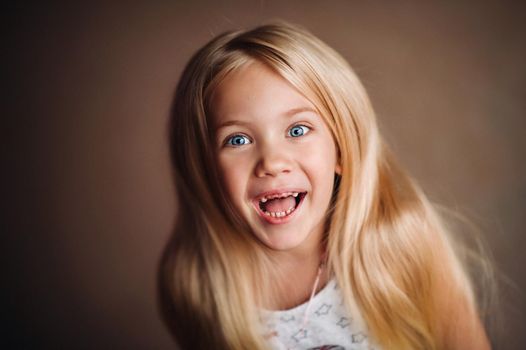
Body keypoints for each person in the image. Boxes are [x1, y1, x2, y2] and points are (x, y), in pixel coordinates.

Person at [158, 21, 493, 349]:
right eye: (238, 139)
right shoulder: (196, 286)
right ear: (203, 167)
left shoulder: (401, 243)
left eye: (298, 130)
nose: (272, 162)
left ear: (342, 150)